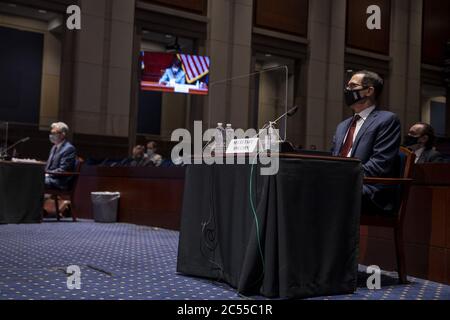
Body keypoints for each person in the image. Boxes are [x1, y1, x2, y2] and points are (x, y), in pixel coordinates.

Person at [331, 70, 401, 213]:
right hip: (342, 184)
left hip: (369, 188)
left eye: (352, 86)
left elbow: (379, 164)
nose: (347, 90)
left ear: (369, 91)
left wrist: (344, 178)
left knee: (324, 192)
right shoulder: (342, 126)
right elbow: (333, 160)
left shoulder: (387, 120)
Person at [45, 122, 77, 190]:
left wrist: (47, 174)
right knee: (32, 178)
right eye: (51, 133)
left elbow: (63, 170)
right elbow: (49, 166)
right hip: (50, 177)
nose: (51, 135)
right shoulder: (54, 147)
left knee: (35, 181)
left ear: (62, 135)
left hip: (59, 181)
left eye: (54, 133)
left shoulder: (69, 149)